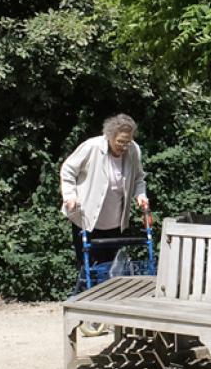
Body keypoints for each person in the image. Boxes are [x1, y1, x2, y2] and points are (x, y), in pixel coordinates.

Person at [59, 114, 150, 268]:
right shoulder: (92, 147)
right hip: (87, 220)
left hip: (115, 223)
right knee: (89, 269)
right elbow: (68, 170)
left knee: (112, 269)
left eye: (128, 142)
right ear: (109, 136)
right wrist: (70, 196)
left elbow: (138, 178)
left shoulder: (133, 150)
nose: (124, 146)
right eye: (120, 142)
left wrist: (140, 195)